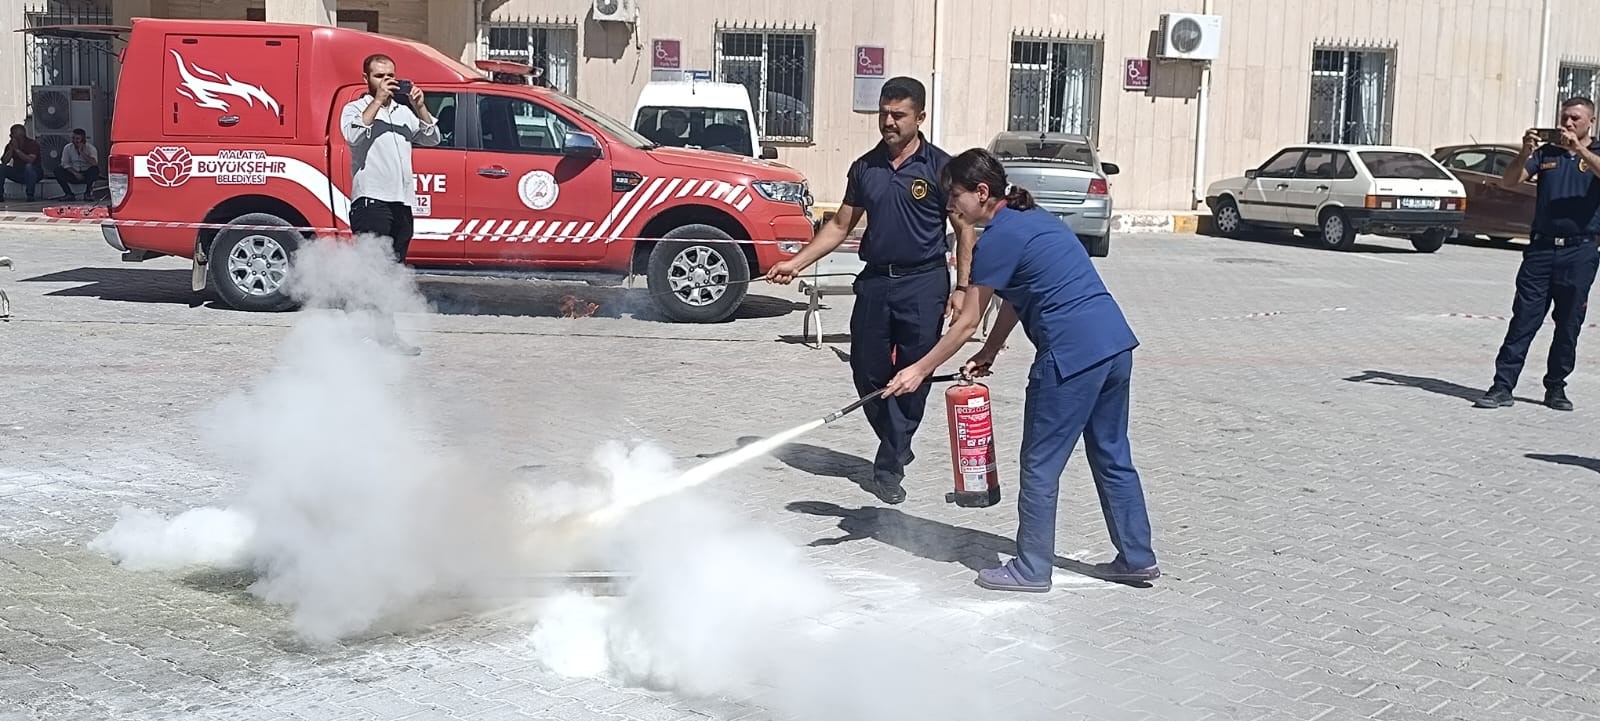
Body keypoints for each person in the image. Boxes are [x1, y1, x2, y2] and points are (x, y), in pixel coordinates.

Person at [881, 148, 1158, 593]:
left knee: (1040, 465)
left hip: (1070, 356)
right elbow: (1014, 294)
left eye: (955, 196)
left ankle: (1031, 568)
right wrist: (991, 350)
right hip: (1113, 346)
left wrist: (918, 369)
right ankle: (1136, 558)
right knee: (1111, 453)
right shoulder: (1034, 220)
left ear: (981, 192)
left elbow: (967, 319)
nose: (950, 206)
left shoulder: (998, 238)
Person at [767, 76, 976, 504]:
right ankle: (898, 440)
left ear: (920, 117)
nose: (888, 122)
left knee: (916, 374)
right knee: (866, 371)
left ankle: (889, 464)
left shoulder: (941, 167)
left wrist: (963, 286)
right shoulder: (865, 168)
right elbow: (841, 225)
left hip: (924, 282)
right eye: (883, 113)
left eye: (898, 115)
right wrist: (795, 263)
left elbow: (964, 228)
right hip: (877, 281)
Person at [1476, 96, 1600, 411]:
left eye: (1575, 118)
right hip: (1541, 249)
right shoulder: (1546, 153)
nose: (1568, 124)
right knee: (1524, 319)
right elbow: (1510, 179)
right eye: (1564, 118)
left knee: (1569, 322)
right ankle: (1502, 386)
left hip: (1580, 250)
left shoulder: (1595, 153)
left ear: (1591, 121)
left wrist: (1579, 150)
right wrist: (1524, 152)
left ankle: (1556, 387)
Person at [340, 53, 441, 356]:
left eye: (390, 76)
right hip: (371, 200)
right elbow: (353, 135)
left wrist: (421, 106)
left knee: (391, 274)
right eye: (379, 76)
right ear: (366, 79)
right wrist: (376, 103)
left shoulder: (403, 112)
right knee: (371, 271)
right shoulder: (355, 108)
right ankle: (356, 336)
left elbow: (433, 138)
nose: (387, 82)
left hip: (401, 202)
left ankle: (385, 336)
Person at [54, 128, 99, 201]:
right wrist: (75, 173)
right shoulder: (68, 148)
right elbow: (64, 163)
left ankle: (87, 194)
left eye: (77, 139)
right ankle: (68, 194)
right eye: (73, 138)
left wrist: (81, 152)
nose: (75, 141)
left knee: (95, 170)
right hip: (74, 172)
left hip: (86, 173)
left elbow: (94, 163)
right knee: (58, 170)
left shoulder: (91, 148)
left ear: (83, 139)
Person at [2, 124, 42, 202]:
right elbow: (4, 161)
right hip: (18, 172)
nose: (10, 136)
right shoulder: (10, 145)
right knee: (1, 168)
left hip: (34, 173)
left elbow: (30, 160)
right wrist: (11, 150)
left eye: (12, 134)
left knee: (28, 167)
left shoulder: (32, 144)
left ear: (20, 135)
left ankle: (30, 195)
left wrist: (17, 150)